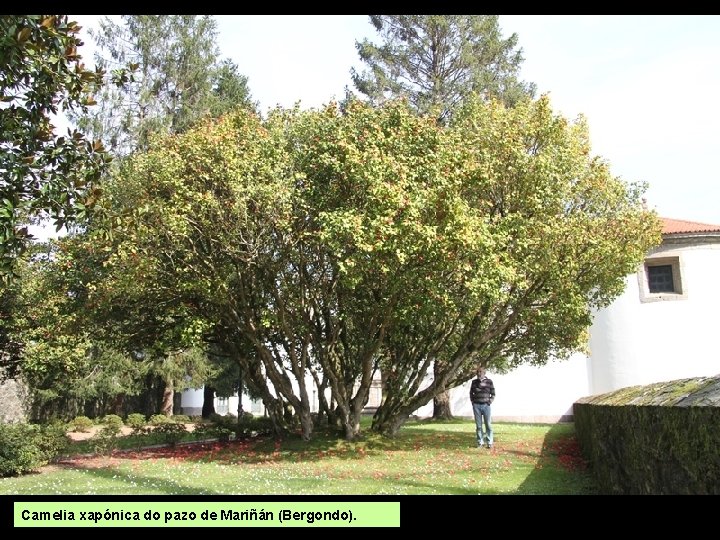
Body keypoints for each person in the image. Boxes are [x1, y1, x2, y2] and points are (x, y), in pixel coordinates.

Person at [470, 365, 495, 449]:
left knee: (488, 424)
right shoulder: (474, 382)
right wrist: (473, 402)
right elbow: (471, 393)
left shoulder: (489, 381)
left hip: (486, 406)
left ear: (484, 373)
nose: (479, 373)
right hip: (476, 406)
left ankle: (489, 442)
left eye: (480, 371)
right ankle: (480, 442)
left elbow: (493, 393)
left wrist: (489, 402)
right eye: (478, 372)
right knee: (479, 426)